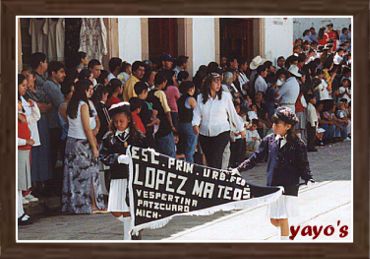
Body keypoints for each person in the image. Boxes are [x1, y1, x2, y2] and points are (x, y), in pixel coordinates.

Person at [231, 106, 315, 240]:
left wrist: (308, 178)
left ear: (287, 126)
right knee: (274, 219)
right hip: (273, 184)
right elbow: (255, 158)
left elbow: (303, 164)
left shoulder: (298, 144)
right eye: (274, 122)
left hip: (289, 184)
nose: (274, 126)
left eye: (277, 123)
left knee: (282, 217)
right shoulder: (269, 140)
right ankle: (285, 234)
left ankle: (284, 244)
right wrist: (239, 169)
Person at [100, 102, 147, 240]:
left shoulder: (137, 136)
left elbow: (146, 154)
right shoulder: (109, 137)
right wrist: (117, 158)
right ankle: (134, 226)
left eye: (121, 121)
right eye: (115, 122)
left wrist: (134, 158)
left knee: (128, 209)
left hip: (132, 177)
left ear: (128, 120)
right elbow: (103, 155)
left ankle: (129, 237)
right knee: (116, 209)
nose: (118, 124)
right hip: (116, 176)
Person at [62, 79, 106, 214]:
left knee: (73, 175)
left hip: (71, 142)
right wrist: (94, 146)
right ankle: (92, 205)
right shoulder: (84, 106)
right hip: (83, 143)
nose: (91, 92)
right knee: (89, 174)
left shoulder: (71, 104)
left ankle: (75, 204)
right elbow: (87, 128)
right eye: (90, 89)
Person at [192, 73, 245, 169]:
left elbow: (233, 113)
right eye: (215, 82)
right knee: (209, 159)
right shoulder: (200, 97)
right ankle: (213, 179)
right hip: (205, 133)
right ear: (209, 83)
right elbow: (197, 113)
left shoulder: (225, 96)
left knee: (217, 156)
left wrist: (241, 128)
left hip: (222, 131)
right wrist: (195, 124)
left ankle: (217, 180)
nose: (218, 84)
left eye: (219, 82)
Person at [18, 74, 41, 204]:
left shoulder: (25, 100)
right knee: (20, 168)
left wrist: (34, 107)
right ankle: (20, 192)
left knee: (27, 167)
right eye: (22, 86)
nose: (25, 88)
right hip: (20, 141)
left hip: (28, 138)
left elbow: (33, 118)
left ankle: (26, 191)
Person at [43, 61, 66, 187]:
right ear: (53, 73)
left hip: (57, 125)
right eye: (61, 72)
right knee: (52, 156)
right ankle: (50, 185)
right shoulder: (49, 85)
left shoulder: (56, 86)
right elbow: (60, 103)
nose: (64, 75)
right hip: (53, 126)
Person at [147, 71, 177, 157]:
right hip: (164, 127)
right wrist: (171, 125)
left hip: (156, 129)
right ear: (164, 82)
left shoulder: (150, 93)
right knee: (170, 153)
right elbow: (167, 111)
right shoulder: (160, 93)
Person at [177, 81, 197, 163]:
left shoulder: (179, 99)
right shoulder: (191, 99)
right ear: (191, 89)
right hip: (189, 125)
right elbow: (197, 112)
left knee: (182, 147)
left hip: (180, 124)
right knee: (190, 149)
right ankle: (190, 166)